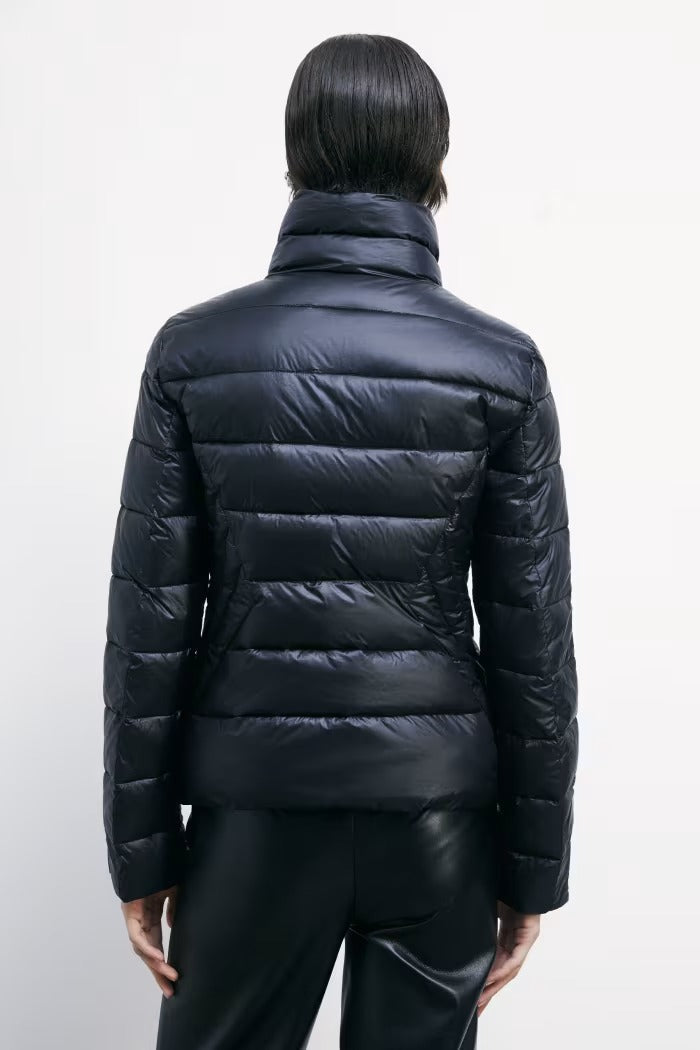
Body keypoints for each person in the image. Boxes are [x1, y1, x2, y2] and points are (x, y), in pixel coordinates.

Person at [103, 33, 578, 1049]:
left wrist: (141, 856)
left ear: (297, 152)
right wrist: (533, 868)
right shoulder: (499, 365)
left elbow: (149, 627)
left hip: (252, 820)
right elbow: (532, 641)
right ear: (433, 157)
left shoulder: (195, 354)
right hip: (437, 825)